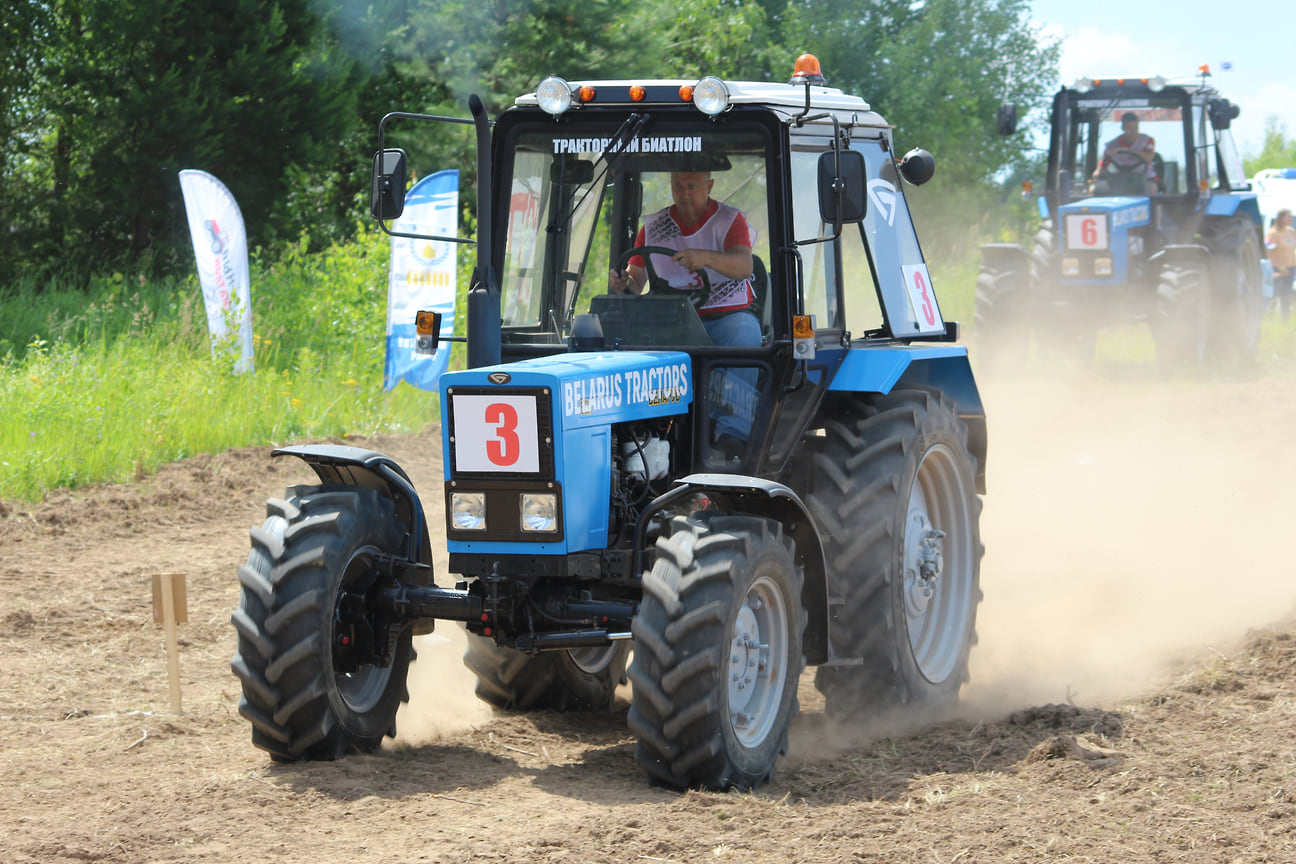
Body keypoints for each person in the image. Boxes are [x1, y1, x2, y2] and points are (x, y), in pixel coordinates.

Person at [609, 171, 761, 459]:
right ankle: (642, 427)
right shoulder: (655, 226)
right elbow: (636, 280)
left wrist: (704, 257)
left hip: (725, 317)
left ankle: (732, 435)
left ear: (709, 185)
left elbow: (744, 266)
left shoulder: (730, 220)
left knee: (747, 335)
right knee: (626, 343)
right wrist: (621, 285)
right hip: (671, 320)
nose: (684, 192)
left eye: (692, 186)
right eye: (677, 185)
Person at [1093, 111, 1158, 194]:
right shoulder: (1112, 145)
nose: (1132, 132)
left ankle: (1152, 206)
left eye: (1135, 128)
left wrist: (1125, 150)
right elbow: (1104, 163)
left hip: (1145, 177)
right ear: (1123, 128)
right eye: (1129, 128)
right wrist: (1098, 171)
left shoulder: (1147, 141)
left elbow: (1149, 157)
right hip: (1119, 179)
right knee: (1095, 189)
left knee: (1152, 188)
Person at [1267, 208, 1296, 321]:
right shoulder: (1273, 233)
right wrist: (1280, 268)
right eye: (1288, 216)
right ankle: (1269, 318)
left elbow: (1292, 250)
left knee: (1287, 296)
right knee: (1275, 294)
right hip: (1278, 269)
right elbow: (1270, 252)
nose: (1291, 218)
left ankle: (1285, 320)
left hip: (1290, 268)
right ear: (1281, 217)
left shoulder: (1290, 231)